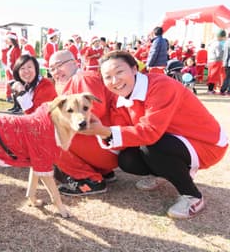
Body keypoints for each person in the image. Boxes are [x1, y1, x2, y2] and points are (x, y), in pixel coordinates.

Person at [81, 50, 228, 218]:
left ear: (135, 69)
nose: (115, 81)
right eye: (107, 77)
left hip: (204, 142)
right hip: (169, 139)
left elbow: (150, 132)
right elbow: (123, 138)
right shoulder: (119, 99)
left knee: (151, 146)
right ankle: (162, 173)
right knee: (127, 159)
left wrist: (106, 131)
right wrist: (100, 130)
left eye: (119, 72)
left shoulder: (161, 85)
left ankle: (193, 196)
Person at [48, 50, 119, 196]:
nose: (56, 72)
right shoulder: (76, 80)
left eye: (59, 65)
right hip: (108, 144)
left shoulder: (82, 78)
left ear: (75, 63)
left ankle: (91, 180)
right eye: (52, 69)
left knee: (46, 134)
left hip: (107, 144)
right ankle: (102, 172)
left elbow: (94, 113)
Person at [4, 31, 21, 102]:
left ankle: (18, 106)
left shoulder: (17, 49)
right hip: (9, 70)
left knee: (15, 88)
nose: (7, 41)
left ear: (12, 39)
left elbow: (17, 61)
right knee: (12, 87)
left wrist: (14, 70)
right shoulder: (11, 48)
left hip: (13, 70)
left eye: (8, 39)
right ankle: (15, 105)